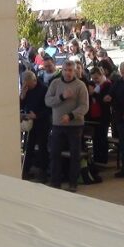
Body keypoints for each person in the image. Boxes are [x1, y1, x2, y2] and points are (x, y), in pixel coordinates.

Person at [44, 60, 88, 192]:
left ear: (75, 71)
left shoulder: (80, 85)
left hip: (75, 126)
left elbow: (84, 106)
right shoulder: (55, 83)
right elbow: (47, 101)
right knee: (55, 153)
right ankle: (55, 181)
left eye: (70, 70)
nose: (68, 73)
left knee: (74, 155)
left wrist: (71, 116)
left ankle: (73, 183)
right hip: (57, 125)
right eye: (65, 70)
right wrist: (62, 97)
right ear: (61, 70)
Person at [20, 70, 50, 181]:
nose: (27, 86)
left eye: (28, 84)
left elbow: (48, 108)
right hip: (29, 122)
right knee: (29, 146)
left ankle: (43, 173)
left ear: (34, 80)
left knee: (43, 147)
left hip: (42, 121)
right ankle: (26, 170)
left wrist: (36, 115)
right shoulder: (26, 88)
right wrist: (22, 95)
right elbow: (21, 104)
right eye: (25, 84)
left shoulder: (44, 89)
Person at [87, 67, 112, 165]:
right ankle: (96, 158)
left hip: (103, 116)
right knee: (95, 138)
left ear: (102, 76)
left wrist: (94, 94)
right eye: (93, 78)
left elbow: (104, 100)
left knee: (102, 138)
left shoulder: (107, 85)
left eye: (97, 78)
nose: (95, 80)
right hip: (94, 116)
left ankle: (102, 159)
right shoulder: (93, 85)